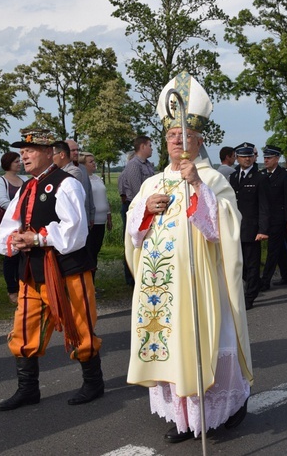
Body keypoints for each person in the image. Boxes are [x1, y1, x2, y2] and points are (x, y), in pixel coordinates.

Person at [124, 72, 252, 442]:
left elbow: (224, 228)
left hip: (202, 285)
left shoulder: (212, 179)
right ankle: (183, 417)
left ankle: (231, 405)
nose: (177, 141)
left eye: (185, 136)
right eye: (172, 135)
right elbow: (133, 232)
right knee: (170, 348)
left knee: (206, 346)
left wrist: (196, 186)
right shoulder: (151, 182)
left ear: (198, 141)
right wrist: (145, 209)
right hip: (161, 290)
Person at [0, 127, 104, 411]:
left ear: (48, 153)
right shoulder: (26, 188)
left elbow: (75, 232)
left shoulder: (66, 183)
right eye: (22, 151)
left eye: (29, 151)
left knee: (80, 325)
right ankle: (27, 389)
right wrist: (16, 240)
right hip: (31, 271)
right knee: (24, 328)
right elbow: (9, 225)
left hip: (67, 270)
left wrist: (38, 237)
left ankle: (93, 383)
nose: (24, 156)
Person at [230, 142, 270, 309]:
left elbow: (264, 206)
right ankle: (253, 285)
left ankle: (250, 296)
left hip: (252, 228)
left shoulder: (261, 178)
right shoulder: (233, 177)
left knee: (252, 263)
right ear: (237, 158)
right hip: (234, 227)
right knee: (238, 263)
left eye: (249, 156)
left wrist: (262, 230)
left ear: (254, 157)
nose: (247, 159)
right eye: (243, 156)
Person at [118, 135, 155, 286]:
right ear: (142, 147)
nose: (152, 148)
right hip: (136, 207)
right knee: (133, 241)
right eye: (150, 145)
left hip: (148, 207)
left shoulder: (148, 165)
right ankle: (132, 277)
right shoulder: (134, 165)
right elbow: (137, 191)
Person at [260, 144, 287, 290]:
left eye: (269, 158)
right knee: (279, 248)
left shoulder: (285, 176)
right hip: (267, 217)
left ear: (277, 158)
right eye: (265, 157)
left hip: (279, 218)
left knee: (273, 250)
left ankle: (265, 281)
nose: (266, 160)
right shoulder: (263, 175)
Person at [0, 151, 28, 304]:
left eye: (19, 161)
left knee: (24, 257)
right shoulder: (1, 181)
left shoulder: (25, 179)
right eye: (16, 161)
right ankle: (12, 290)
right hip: (10, 224)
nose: (19, 163)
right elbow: (2, 201)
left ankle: (24, 286)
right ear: (8, 163)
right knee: (10, 257)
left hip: (25, 223)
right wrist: (20, 209)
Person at [80, 151, 112, 279]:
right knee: (89, 252)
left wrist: (109, 216)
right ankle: (88, 283)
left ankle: (92, 282)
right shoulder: (82, 179)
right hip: (90, 221)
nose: (94, 164)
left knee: (96, 251)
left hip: (101, 220)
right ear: (83, 164)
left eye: (94, 161)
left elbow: (104, 198)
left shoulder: (97, 178)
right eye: (91, 162)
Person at [65, 139, 95, 230]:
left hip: (85, 218)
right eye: (73, 150)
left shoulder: (83, 168)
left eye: (77, 150)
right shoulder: (62, 170)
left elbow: (88, 192)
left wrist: (91, 215)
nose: (76, 152)